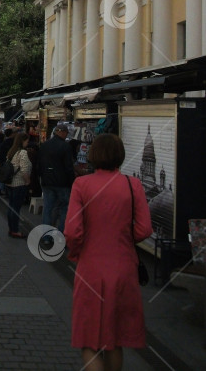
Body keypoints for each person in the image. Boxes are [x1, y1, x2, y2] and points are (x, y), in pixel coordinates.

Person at [64, 133, 153, 371]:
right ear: (120, 156)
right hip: (124, 267)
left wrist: (76, 251)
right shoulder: (133, 185)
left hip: (91, 267)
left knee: (88, 338)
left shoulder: (82, 185)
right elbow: (145, 228)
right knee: (115, 340)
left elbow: (72, 231)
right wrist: (123, 238)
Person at [37, 123, 75, 233]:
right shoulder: (65, 146)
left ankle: (46, 235)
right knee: (64, 208)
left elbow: (39, 164)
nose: (66, 135)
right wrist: (72, 182)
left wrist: (41, 178)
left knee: (48, 208)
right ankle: (61, 234)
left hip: (47, 183)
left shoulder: (44, 145)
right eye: (66, 133)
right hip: (62, 184)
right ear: (62, 132)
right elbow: (69, 167)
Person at [5, 132, 32, 238]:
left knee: (11, 207)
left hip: (10, 183)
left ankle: (11, 228)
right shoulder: (23, 153)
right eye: (27, 141)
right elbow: (24, 170)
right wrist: (28, 181)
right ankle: (15, 230)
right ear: (22, 141)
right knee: (16, 208)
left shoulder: (12, 151)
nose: (27, 143)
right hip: (19, 184)